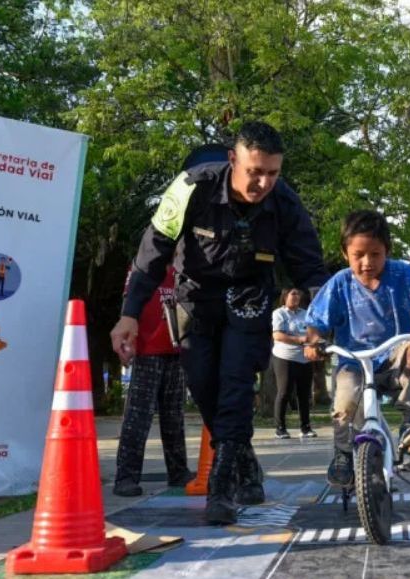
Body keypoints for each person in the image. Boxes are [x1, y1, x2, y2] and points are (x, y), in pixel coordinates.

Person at [110, 122, 328, 525]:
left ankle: (222, 487)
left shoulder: (286, 203)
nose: (263, 182)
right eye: (254, 171)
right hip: (196, 297)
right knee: (204, 388)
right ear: (232, 160)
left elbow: (308, 265)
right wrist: (129, 314)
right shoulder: (190, 187)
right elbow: (152, 251)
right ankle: (247, 466)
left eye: (273, 173)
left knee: (235, 386)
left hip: (249, 296)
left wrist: (326, 314)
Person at [304, 210, 410, 485]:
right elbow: (316, 321)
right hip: (353, 361)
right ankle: (343, 452)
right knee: (344, 401)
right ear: (345, 253)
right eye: (359, 255)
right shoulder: (340, 283)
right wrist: (314, 342)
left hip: (395, 357)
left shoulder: (402, 273)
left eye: (375, 254)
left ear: (387, 252)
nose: (367, 263)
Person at [113, 265, 192, 496]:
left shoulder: (185, 268)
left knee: (174, 416)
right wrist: (128, 341)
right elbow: (129, 305)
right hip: (148, 351)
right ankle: (126, 476)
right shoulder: (143, 268)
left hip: (177, 351)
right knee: (138, 417)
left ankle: (178, 471)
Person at [271, 287, 317, 439]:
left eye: (298, 294)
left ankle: (305, 427)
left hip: (304, 358)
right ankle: (280, 428)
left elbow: (312, 333)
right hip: (285, 357)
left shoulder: (305, 314)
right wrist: (298, 340)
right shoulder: (279, 313)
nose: (296, 297)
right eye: (293, 294)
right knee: (284, 392)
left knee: (304, 394)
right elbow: (277, 335)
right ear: (285, 296)